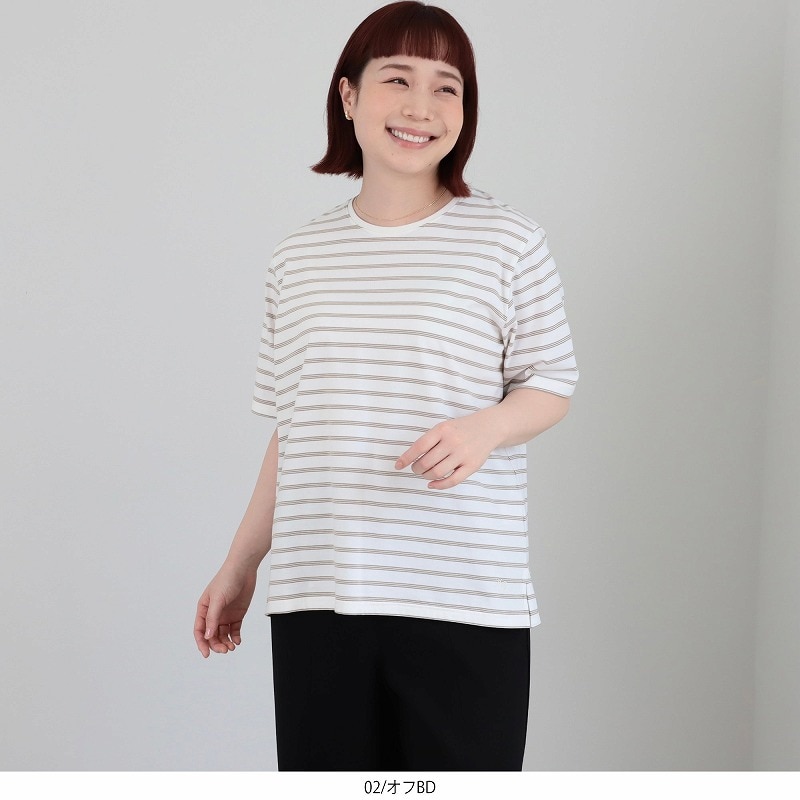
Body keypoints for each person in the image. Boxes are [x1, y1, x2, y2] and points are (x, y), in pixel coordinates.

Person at [194, 0, 578, 771]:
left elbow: (551, 383)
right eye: (397, 79)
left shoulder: (507, 241)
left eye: (446, 87)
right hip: (318, 594)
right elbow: (296, 429)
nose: (420, 106)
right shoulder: (299, 257)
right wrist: (241, 562)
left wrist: (485, 428)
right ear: (349, 95)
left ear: (465, 111)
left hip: (463, 596)